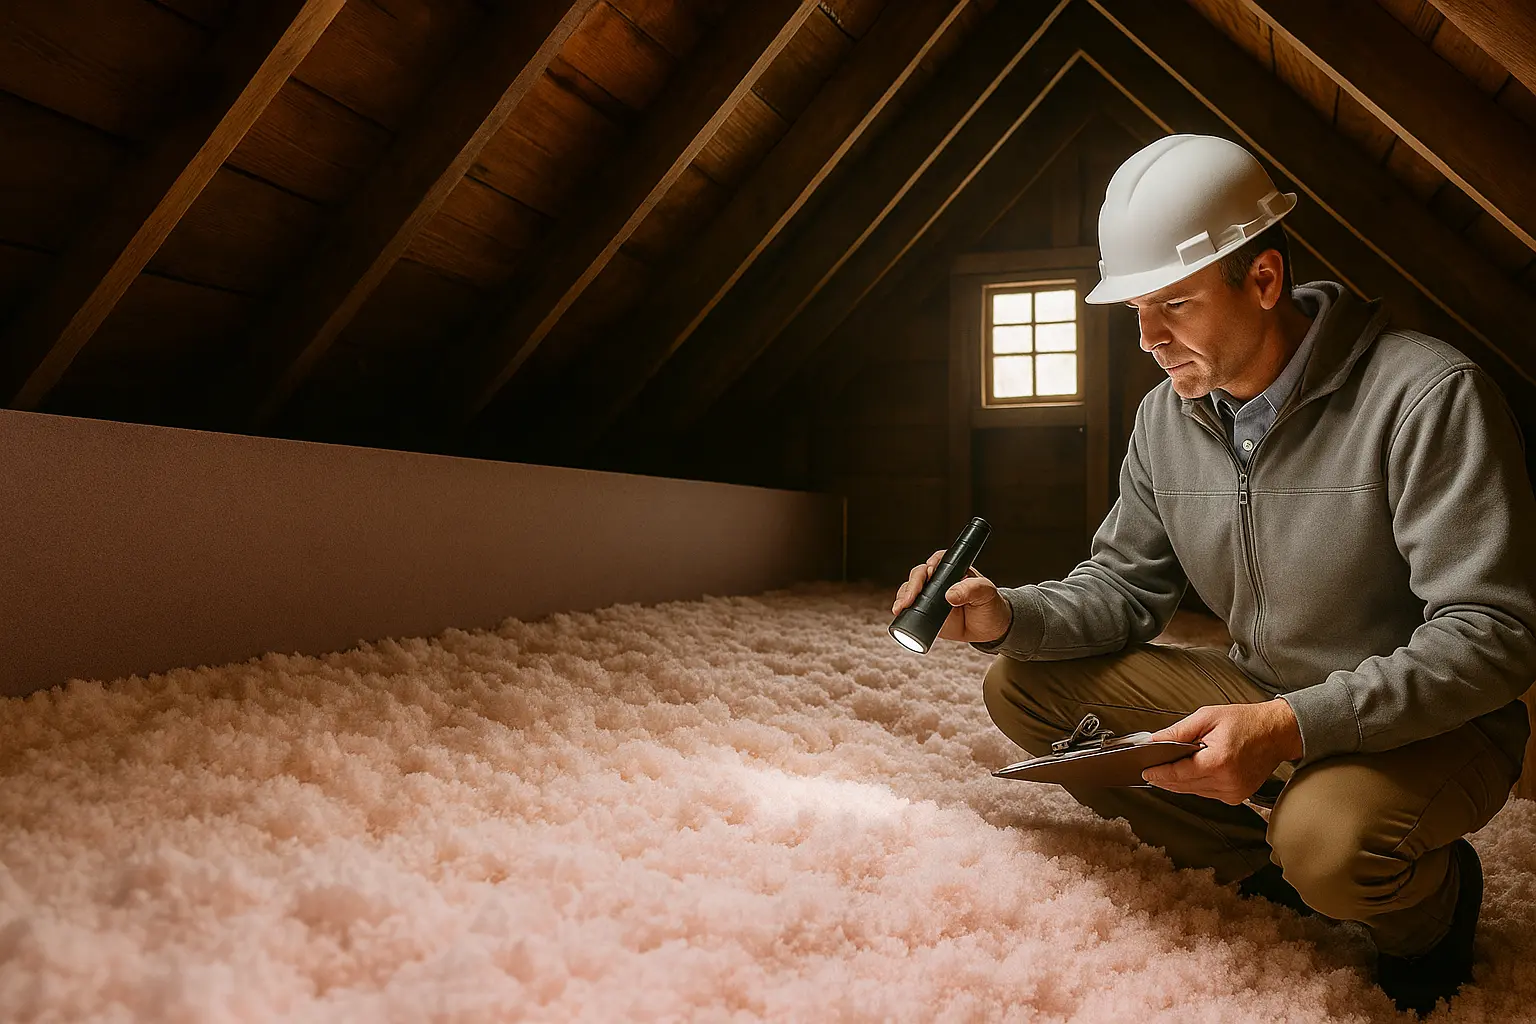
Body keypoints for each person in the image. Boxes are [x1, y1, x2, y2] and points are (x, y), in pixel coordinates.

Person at [890, 133, 1536, 1015]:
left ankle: (1429, 905)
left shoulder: (1426, 396)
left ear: (1263, 280)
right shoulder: (1167, 417)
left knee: (1330, 844)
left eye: (1175, 307)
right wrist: (1002, 613)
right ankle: (1269, 864)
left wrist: (1290, 725)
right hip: (1257, 688)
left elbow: (1493, 638)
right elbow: (1122, 588)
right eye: (1135, 314)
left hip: (1424, 725)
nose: (1150, 340)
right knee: (1023, 688)